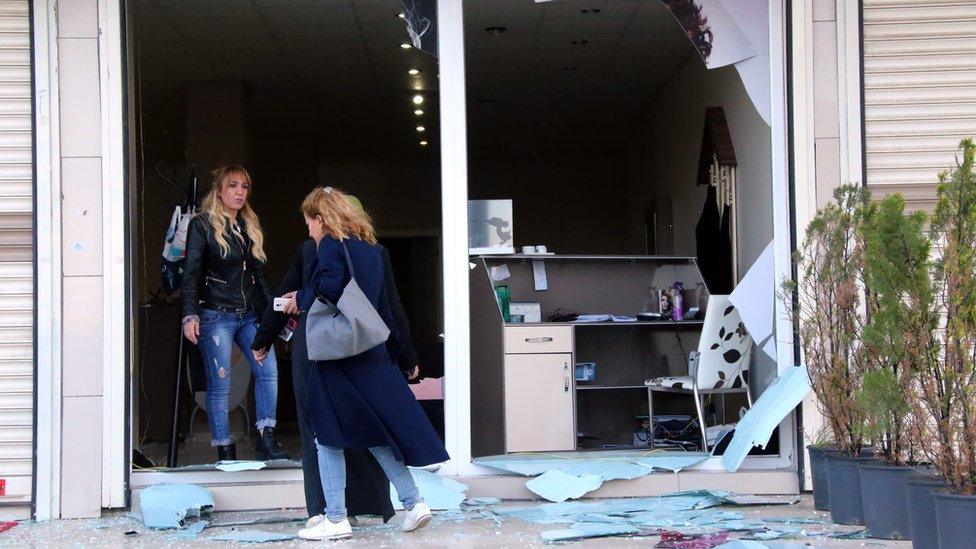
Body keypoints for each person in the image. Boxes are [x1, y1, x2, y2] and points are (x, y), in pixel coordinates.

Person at [282, 186, 449, 541]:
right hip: (370, 353)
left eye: (309, 221)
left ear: (321, 218)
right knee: (376, 437)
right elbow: (387, 309)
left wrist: (302, 297)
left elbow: (328, 286)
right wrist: (400, 353)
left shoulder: (329, 244)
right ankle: (414, 502)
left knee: (325, 437)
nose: (308, 229)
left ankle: (336, 517)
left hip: (337, 356)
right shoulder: (371, 250)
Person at [180, 164, 289, 462]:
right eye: (233, 186)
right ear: (219, 189)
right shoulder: (201, 224)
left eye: (244, 186)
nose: (240, 192)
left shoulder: (247, 225)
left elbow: (260, 277)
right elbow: (190, 275)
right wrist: (190, 315)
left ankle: (267, 439)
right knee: (220, 383)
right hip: (216, 315)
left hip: (250, 315)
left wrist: (275, 314)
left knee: (268, 373)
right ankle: (225, 451)